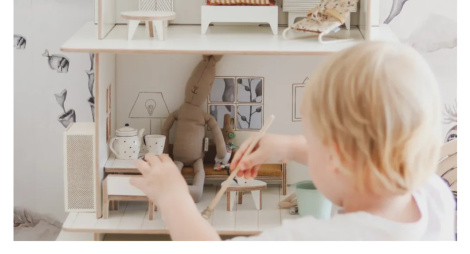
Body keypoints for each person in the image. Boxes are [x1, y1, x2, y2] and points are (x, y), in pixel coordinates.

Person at [130, 41, 456, 241]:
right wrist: (290, 147)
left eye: (311, 140)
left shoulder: (319, 241)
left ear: (337, 158)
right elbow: (370, 156)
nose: (307, 145)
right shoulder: (435, 196)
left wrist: (173, 196)